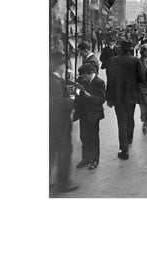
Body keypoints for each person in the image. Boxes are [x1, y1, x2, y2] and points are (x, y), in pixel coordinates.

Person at [106, 39, 142, 160]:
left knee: (121, 122)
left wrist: (109, 98)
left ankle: (124, 150)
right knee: (130, 117)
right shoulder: (135, 60)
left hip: (118, 97)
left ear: (120, 48)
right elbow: (141, 78)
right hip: (131, 96)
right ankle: (130, 137)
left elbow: (110, 81)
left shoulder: (113, 61)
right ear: (130, 49)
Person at [49, 50, 79, 193]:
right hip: (59, 125)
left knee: (52, 153)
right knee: (64, 153)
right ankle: (63, 183)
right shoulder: (54, 81)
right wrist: (72, 100)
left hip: (54, 124)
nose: (64, 67)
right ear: (58, 66)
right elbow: (58, 103)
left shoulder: (54, 79)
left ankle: (52, 181)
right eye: (62, 65)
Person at [73, 63, 106, 170]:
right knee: (84, 136)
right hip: (83, 114)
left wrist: (90, 96)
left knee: (93, 137)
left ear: (89, 73)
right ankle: (85, 158)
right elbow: (78, 95)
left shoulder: (99, 82)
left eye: (83, 76)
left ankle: (95, 159)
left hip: (93, 114)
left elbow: (101, 100)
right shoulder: (82, 81)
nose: (82, 78)